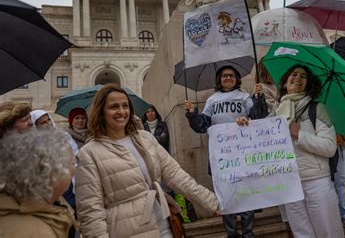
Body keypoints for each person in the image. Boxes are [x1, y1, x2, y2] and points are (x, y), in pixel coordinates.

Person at [75, 83, 219, 238]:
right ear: (101, 111)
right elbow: (91, 212)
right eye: (114, 107)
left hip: (163, 225)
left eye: (125, 106)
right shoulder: (88, 153)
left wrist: (212, 203)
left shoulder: (145, 138)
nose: (121, 111)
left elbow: (177, 175)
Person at [184, 65, 267, 238]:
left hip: (243, 153)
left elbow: (258, 117)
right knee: (225, 196)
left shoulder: (244, 96)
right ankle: (231, 233)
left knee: (246, 194)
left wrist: (259, 98)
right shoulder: (212, 100)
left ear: (237, 79)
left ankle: (248, 233)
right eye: (224, 76)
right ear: (219, 80)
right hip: (221, 157)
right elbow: (202, 125)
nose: (227, 78)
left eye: (231, 76)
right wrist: (192, 113)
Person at [264, 64, 344, 238]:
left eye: (303, 76)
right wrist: (244, 125)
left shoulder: (317, 109)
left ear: (308, 84)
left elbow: (329, 147)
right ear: (285, 83)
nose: (298, 78)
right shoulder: (275, 113)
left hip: (317, 182)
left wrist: (298, 134)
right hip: (289, 183)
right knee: (302, 234)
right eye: (294, 74)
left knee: (328, 232)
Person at [0, 130, 77, 237]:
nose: (75, 168)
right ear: (52, 173)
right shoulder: (37, 233)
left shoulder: (23, 207)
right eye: (72, 162)